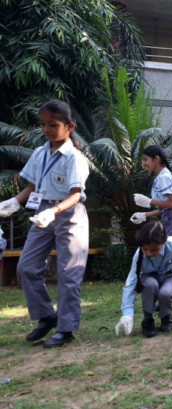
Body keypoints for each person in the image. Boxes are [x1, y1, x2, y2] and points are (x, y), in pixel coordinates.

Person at [0, 101, 89, 348]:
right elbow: (32, 187)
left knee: (68, 272)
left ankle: (66, 328)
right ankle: (47, 316)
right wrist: (13, 202)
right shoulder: (40, 153)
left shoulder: (75, 158)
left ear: (69, 126)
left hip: (68, 214)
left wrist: (55, 211)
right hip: (41, 213)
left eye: (53, 125)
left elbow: (75, 193)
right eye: (43, 124)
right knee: (26, 267)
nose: (47, 129)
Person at [115, 222, 172, 338]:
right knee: (150, 285)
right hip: (148, 276)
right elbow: (131, 283)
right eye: (145, 249)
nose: (149, 253)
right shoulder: (138, 256)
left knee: (166, 293)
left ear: (163, 242)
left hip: (169, 275)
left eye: (154, 250)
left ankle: (166, 316)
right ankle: (148, 320)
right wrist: (127, 314)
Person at [131, 145, 172, 238]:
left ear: (156, 159)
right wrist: (144, 215)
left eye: (145, 159)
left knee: (169, 249)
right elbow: (167, 208)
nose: (143, 163)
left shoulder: (164, 177)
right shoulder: (162, 176)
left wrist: (149, 201)